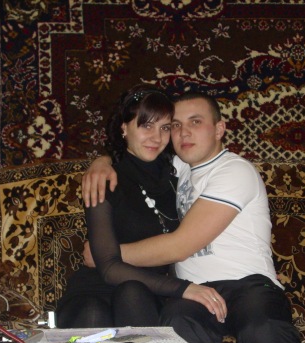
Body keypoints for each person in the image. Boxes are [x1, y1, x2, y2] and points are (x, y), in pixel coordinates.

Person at [82, 92, 305, 343]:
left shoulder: (235, 171)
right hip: (195, 293)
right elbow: (137, 150)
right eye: (176, 125)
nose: (182, 132)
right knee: (176, 329)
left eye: (196, 122)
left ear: (220, 129)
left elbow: (180, 246)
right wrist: (102, 160)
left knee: (264, 331)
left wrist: (105, 255)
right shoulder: (177, 168)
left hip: (248, 286)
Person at [55, 85, 224, 328]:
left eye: (165, 128)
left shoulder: (180, 175)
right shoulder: (106, 179)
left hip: (148, 295)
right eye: (146, 125)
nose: (156, 137)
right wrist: (183, 288)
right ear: (124, 128)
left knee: (133, 293)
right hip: (96, 290)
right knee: (94, 312)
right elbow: (108, 267)